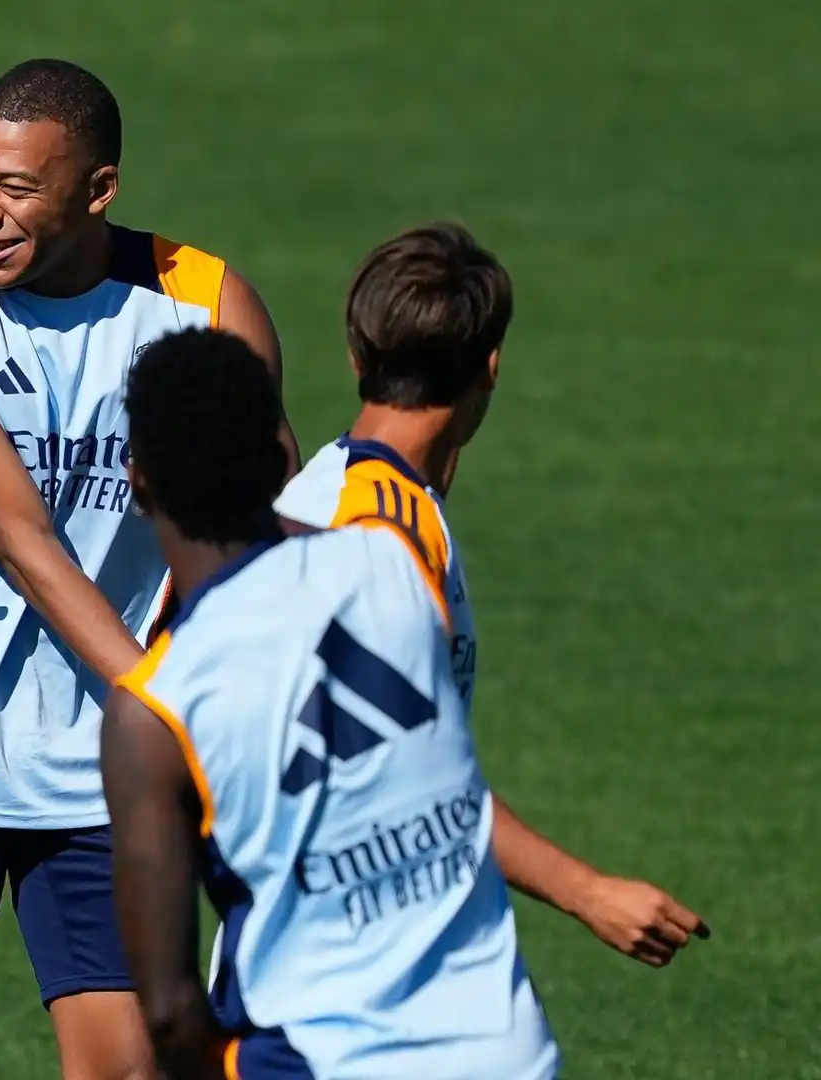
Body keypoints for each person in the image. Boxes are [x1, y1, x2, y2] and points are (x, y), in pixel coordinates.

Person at [0, 59, 296, 1080]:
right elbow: (20, 538)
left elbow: (262, 530)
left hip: (113, 774)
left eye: (15, 188)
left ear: (98, 189)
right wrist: (168, 699)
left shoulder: (203, 302)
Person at [103, 326, 560, 1079]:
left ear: (140, 481)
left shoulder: (154, 712)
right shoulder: (394, 563)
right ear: (279, 461)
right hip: (509, 1053)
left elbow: (171, 1014)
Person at [272, 222, 707, 966]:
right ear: (491, 366)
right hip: (346, 967)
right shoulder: (383, 532)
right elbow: (403, 767)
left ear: (356, 357)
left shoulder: (335, 494)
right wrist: (588, 892)